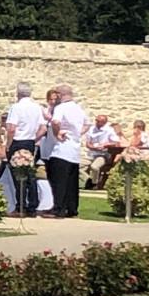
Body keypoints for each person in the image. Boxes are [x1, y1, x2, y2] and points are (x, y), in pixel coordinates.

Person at [4, 82, 46, 217]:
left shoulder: (16, 108)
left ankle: (20, 206)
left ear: (18, 93)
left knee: (18, 176)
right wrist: (33, 138)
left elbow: (11, 128)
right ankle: (32, 206)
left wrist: (8, 145)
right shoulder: (36, 107)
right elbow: (43, 128)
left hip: (17, 141)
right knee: (30, 175)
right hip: (29, 142)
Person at [46, 84, 86, 218]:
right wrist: (77, 133)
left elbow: (55, 122)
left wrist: (58, 134)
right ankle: (72, 209)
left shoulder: (61, 107)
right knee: (71, 183)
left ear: (60, 95)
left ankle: (58, 208)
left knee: (59, 181)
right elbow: (87, 124)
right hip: (74, 149)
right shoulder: (78, 109)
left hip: (62, 149)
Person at [81, 114, 118, 189]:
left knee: (94, 167)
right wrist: (92, 147)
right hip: (91, 154)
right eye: (96, 120)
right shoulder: (91, 129)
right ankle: (89, 180)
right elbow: (88, 143)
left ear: (104, 122)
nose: (96, 122)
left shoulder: (109, 130)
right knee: (76, 165)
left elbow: (115, 142)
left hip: (102, 155)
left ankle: (94, 183)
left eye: (98, 121)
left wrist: (106, 145)